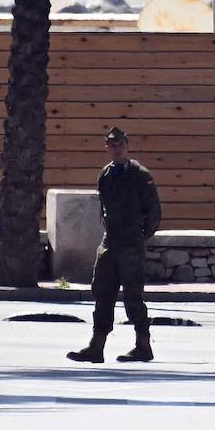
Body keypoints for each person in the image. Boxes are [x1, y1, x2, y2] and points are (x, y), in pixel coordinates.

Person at [67, 126, 162, 364]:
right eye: (113, 145)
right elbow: (104, 209)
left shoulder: (140, 174)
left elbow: (154, 213)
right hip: (109, 243)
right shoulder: (106, 174)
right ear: (107, 147)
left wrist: (139, 237)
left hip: (130, 244)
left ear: (127, 146)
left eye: (121, 144)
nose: (117, 148)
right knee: (102, 292)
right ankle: (96, 347)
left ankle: (143, 345)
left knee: (132, 296)